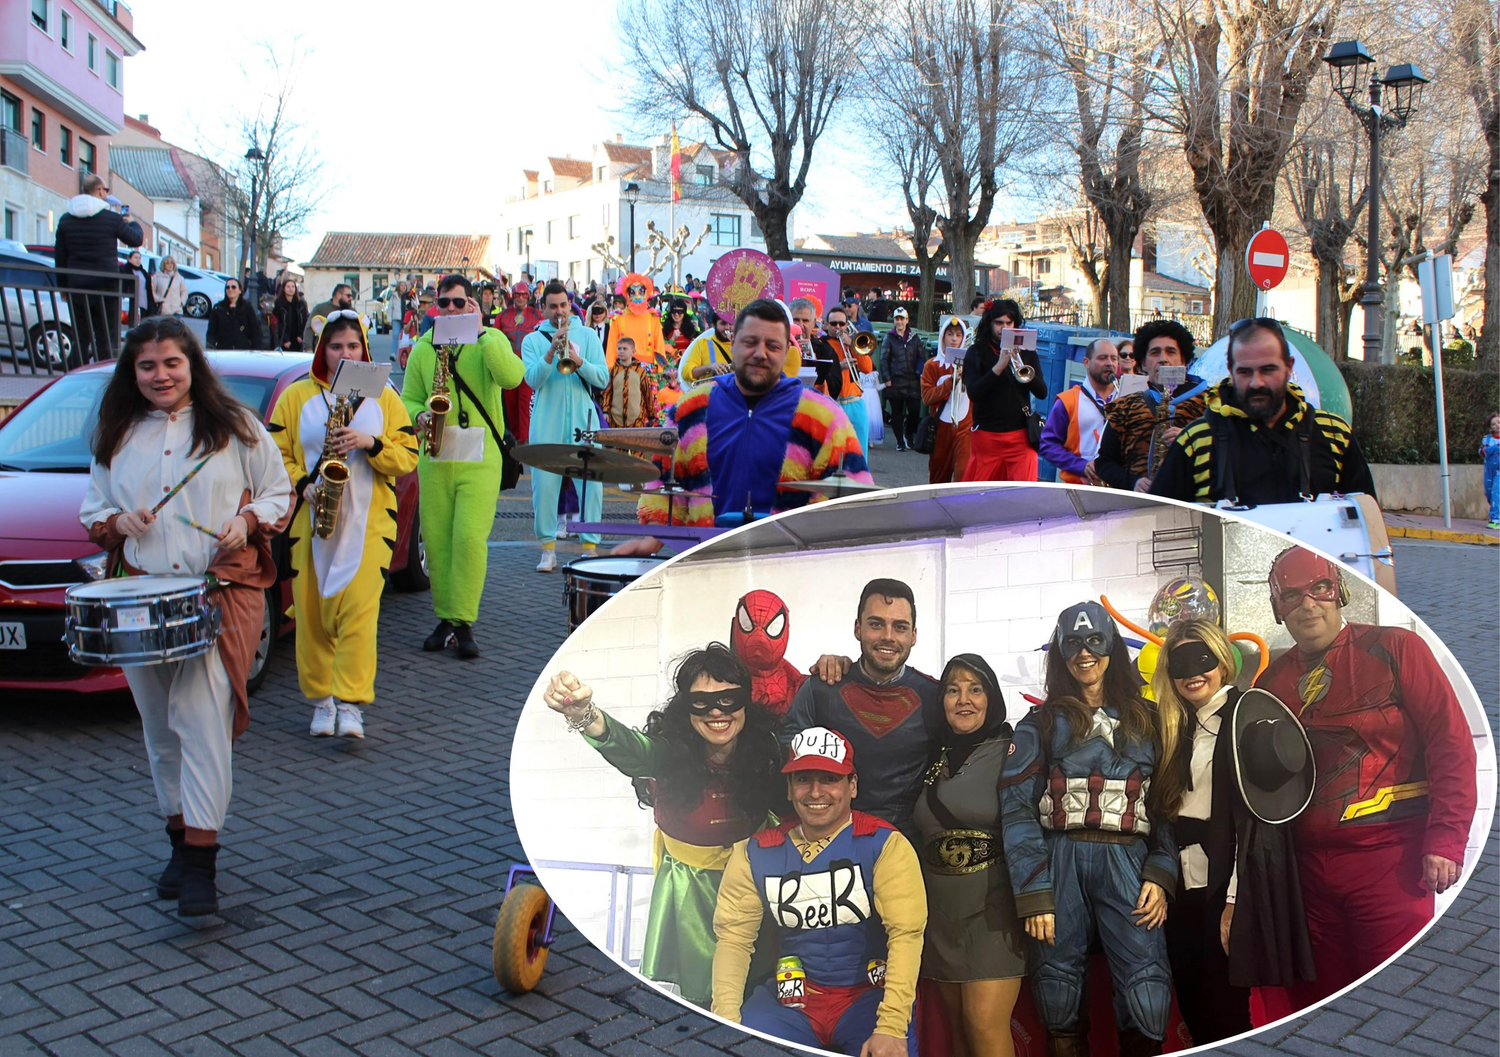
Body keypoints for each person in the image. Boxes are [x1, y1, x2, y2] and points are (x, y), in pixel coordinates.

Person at [78, 317, 292, 916]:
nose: (160, 375)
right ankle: (179, 843)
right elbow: (93, 510)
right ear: (133, 372)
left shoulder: (237, 428)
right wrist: (120, 523)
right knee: (158, 727)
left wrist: (245, 523)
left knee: (198, 718)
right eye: (147, 366)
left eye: (171, 363)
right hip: (140, 597)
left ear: (191, 364)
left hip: (217, 593)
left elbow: (279, 492)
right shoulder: (116, 434)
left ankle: (202, 863)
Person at [1253, 546, 1477, 1016]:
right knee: (1324, 1007)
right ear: (1278, 609)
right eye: (1292, 596)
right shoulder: (1270, 683)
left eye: (1319, 589)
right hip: (1306, 873)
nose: (1308, 605)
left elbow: (1450, 742)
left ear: (1340, 594)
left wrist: (1447, 836)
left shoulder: (1396, 648)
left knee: (1399, 1006)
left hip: (1390, 861)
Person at [544, 646, 784, 1008]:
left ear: (745, 703)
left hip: (756, 885)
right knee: (710, 995)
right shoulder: (671, 754)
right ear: (686, 709)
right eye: (702, 702)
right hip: (695, 891)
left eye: (728, 699)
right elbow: (633, 749)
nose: (717, 711)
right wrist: (584, 714)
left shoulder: (767, 750)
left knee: (762, 986)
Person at [999, 602, 1183, 1057]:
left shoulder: (1151, 719)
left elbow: (1168, 804)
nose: (1084, 653)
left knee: (1147, 991)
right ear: (1060, 653)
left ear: (1112, 648)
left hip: (1128, 862)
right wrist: (1034, 890)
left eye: (1094, 642)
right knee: (1057, 991)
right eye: (1073, 643)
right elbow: (1017, 808)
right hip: (1059, 861)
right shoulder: (1039, 725)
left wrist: (1161, 871)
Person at [711, 726, 926, 1057]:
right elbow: (734, 939)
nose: (815, 792)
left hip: (868, 999)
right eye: (803, 779)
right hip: (789, 1004)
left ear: (852, 785)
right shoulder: (755, 852)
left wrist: (892, 1026)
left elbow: (906, 935)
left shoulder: (886, 845)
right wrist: (724, 1019)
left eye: (829, 778)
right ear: (788, 788)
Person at [1151, 620, 1312, 1046]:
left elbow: (1258, 821)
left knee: (1226, 1017)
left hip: (1224, 888)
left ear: (1223, 662)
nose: (1192, 672)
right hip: (1182, 892)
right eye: (1180, 662)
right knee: (1194, 1008)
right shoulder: (1175, 727)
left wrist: (1235, 901)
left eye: (1202, 658)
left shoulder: (1247, 715)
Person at [269, 311, 418, 739]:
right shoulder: (296, 397)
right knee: (312, 612)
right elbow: (275, 452)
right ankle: (321, 700)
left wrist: (369, 442)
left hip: (369, 519)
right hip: (313, 517)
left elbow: (407, 456)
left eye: (353, 346)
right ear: (322, 350)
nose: (345, 354)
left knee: (359, 611)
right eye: (336, 346)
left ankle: (351, 704)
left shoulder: (385, 395)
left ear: (365, 348)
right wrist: (304, 485)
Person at [624, 299, 869, 541]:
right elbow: (663, 485)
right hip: (705, 563)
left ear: (787, 351)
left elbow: (852, 500)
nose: (760, 353)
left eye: (772, 346)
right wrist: (651, 541)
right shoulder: (690, 410)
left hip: (787, 566)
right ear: (733, 343)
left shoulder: (822, 415)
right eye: (750, 342)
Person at [400, 274, 525, 657]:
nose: (451, 310)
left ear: (473, 303)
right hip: (436, 457)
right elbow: (407, 398)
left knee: (469, 540)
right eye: (444, 304)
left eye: (459, 303)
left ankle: (464, 620)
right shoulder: (423, 349)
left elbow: (512, 376)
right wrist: (420, 415)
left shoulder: (491, 340)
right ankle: (447, 618)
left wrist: (483, 331)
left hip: (479, 456)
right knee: (437, 543)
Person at [917, 655, 1025, 1057]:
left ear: (992, 697)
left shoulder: (1012, 749)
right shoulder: (933, 756)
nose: (964, 699)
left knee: (984, 1026)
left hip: (993, 913)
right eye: (952, 689)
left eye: (975, 689)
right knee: (958, 1034)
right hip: (940, 917)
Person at [781, 578, 941, 843]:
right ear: (858, 628)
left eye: (899, 627)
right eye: (876, 624)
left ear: (913, 636)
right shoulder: (820, 689)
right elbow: (786, 759)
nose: (888, 637)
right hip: (825, 843)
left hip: (906, 846)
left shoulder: (934, 697)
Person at [1150, 319, 1376, 505]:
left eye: (1268, 370)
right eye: (1245, 372)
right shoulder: (1196, 441)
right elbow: (1157, 527)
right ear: (1231, 370)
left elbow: (1367, 525)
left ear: (1289, 367)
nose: (1257, 382)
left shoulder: (1335, 433)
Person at [523, 280, 608, 571]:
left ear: (570, 305)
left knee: (591, 486)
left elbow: (603, 379)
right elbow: (532, 380)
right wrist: (550, 353)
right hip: (547, 419)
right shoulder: (532, 340)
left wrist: (578, 359)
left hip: (583, 419)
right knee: (545, 486)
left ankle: (589, 547)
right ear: (543, 308)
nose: (559, 311)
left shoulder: (587, 335)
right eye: (553, 306)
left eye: (563, 305)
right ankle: (547, 550)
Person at [1094, 320, 1204, 492]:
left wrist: (1194, 443)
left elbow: (1227, 461)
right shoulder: (1124, 408)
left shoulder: (1210, 405)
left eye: (1171, 351)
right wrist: (1133, 482)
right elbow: (1104, 462)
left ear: (1183, 360)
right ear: (1144, 364)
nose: (1163, 359)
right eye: (1155, 352)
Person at [54, 174, 144, 361]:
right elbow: (135, 239)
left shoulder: (66, 220)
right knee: (106, 338)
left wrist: (63, 287)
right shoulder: (111, 219)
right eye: (106, 190)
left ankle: (77, 377)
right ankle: (105, 378)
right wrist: (132, 222)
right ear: (99, 191)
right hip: (107, 287)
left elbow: (60, 256)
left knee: (80, 337)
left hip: (76, 286)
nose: (106, 194)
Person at [961, 299, 1047, 482]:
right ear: (990, 323)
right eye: (999, 323)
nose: (1004, 328)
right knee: (979, 496)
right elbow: (974, 393)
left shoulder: (1027, 351)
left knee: (1023, 495)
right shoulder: (977, 352)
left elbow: (1042, 392)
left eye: (1009, 323)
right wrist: (998, 367)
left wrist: (1021, 366)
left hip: (1020, 437)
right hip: (987, 437)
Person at [1039, 338, 1119, 485]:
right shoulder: (1067, 400)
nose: (1110, 363)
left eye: (1114, 358)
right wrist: (1081, 466)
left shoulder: (1126, 399)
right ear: (1086, 363)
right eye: (1102, 358)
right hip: (1079, 486)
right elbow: (1047, 445)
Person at [921, 317, 973, 485]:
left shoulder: (972, 364)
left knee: (963, 473)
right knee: (938, 479)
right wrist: (951, 382)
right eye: (950, 334)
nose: (954, 339)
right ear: (942, 336)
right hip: (941, 429)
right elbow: (927, 397)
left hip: (965, 429)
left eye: (958, 335)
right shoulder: (932, 365)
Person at [825, 305, 876, 455]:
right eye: (833, 324)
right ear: (827, 325)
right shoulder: (822, 344)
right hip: (832, 403)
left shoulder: (852, 344)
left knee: (859, 455)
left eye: (842, 323)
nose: (838, 327)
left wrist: (852, 345)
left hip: (855, 403)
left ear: (847, 325)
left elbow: (867, 368)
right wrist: (838, 367)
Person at [497, 282, 542, 444]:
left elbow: (542, 337)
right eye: (517, 295)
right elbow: (496, 338)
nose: (521, 298)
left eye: (524, 295)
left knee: (525, 404)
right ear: (512, 296)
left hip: (528, 366)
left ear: (528, 297)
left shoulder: (536, 315)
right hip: (509, 365)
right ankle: (515, 439)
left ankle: (525, 440)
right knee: (510, 405)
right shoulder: (502, 316)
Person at [880, 308, 925, 453]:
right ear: (894, 321)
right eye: (896, 319)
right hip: (895, 380)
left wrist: (920, 373)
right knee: (897, 412)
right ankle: (900, 441)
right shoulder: (889, 338)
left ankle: (909, 434)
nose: (899, 322)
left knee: (914, 410)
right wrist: (887, 378)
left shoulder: (915, 337)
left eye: (902, 319)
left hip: (913, 381)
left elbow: (921, 357)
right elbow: (883, 359)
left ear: (907, 320)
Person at [601, 336, 658, 429]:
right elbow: (607, 392)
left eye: (625, 349)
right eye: (619, 348)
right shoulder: (613, 371)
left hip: (636, 420)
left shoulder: (640, 371)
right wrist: (605, 411)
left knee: (635, 442)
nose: (621, 351)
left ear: (633, 352)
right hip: (616, 420)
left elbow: (647, 394)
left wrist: (651, 415)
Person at [678, 306, 734, 383]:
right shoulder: (702, 343)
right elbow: (686, 372)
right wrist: (710, 367)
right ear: (714, 325)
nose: (728, 327)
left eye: (730, 324)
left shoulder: (741, 344)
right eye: (723, 323)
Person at [205, 278, 264, 351]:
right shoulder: (218, 308)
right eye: (227, 287)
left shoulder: (247, 308)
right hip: (223, 350)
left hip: (243, 351)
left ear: (240, 290)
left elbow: (255, 331)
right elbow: (211, 331)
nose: (230, 289)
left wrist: (256, 350)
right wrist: (210, 348)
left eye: (233, 287)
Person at [306, 283, 355, 349]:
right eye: (348, 296)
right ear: (338, 295)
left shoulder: (352, 312)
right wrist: (307, 348)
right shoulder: (320, 309)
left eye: (351, 296)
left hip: (347, 351)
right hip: (324, 350)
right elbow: (309, 328)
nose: (351, 298)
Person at [270, 278, 310, 352]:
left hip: (298, 340)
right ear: (284, 289)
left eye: (293, 286)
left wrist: (301, 335)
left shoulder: (301, 303)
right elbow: (278, 323)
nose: (291, 289)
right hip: (284, 339)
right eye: (288, 287)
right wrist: (285, 340)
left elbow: (305, 320)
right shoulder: (279, 304)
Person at [121, 250, 156, 324]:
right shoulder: (124, 270)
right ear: (129, 259)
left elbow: (149, 289)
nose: (138, 260)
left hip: (144, 302)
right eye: (135, 257)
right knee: (132, 323)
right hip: (131, 301)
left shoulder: (144, 272)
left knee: (143, 324)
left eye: (139, 258)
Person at [1481, 412, 1500, 528]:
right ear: (1490, 427)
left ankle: (1496, 519)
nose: (1497, 425)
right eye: (1494, 424)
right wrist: (1487, 450)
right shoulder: (1486, 439)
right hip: (1489, 470)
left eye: (1499, 422)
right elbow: (1481, 451)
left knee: (1495, 493)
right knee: (1488, 493)